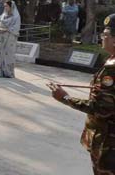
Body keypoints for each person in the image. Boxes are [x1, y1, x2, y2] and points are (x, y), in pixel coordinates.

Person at [48, 13, 115, 174]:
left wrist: (65, 98)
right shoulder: (111, 61)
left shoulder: (112, 70)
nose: (102, 38)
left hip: (108, 144)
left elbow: (101, 108)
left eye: (105, 35)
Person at [0, 0, 20, 78]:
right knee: (2, 53)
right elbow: (0, 23)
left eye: (6, 6)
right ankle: (1, 71)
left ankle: (8, 72)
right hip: (2, 37)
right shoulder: (4, 15)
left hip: (10, 37)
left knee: (9, 54)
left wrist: (6, 30)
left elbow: (16, 28)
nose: (5, 7)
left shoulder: (16, 16)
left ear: (11, 7)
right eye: (4, 6)